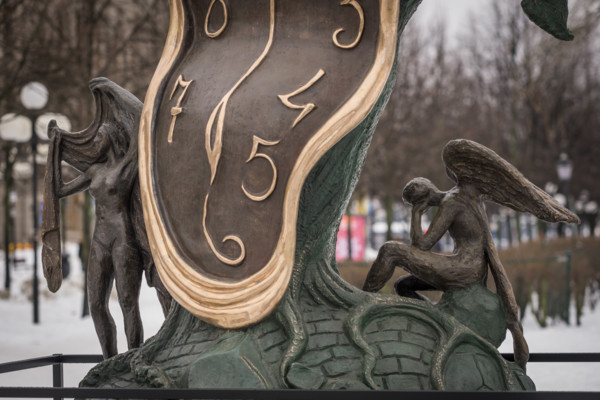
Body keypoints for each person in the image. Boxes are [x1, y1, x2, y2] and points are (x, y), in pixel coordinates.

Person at [362, 139, 580, 369]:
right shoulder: (466, 193)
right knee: (403, 286)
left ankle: (362, 301)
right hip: (470, 269)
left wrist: (416, 214)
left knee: (390, 250)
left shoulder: (452, 202)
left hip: (463, 270)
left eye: (414, 202)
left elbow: (422, 245)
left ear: (421, 200)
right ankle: (436, 320)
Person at [42, 78, 171, 358]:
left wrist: (114, 90)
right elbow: (60, 189)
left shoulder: (126, 167)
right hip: (100, 241)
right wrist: (55, 146)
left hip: (124, 241)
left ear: (111, 139)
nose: (95, 143)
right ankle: (109, 360)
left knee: (128, 303)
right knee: (96, 304)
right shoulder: (93, 172)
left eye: (99, 138)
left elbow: (143, 126)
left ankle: (133, 358)